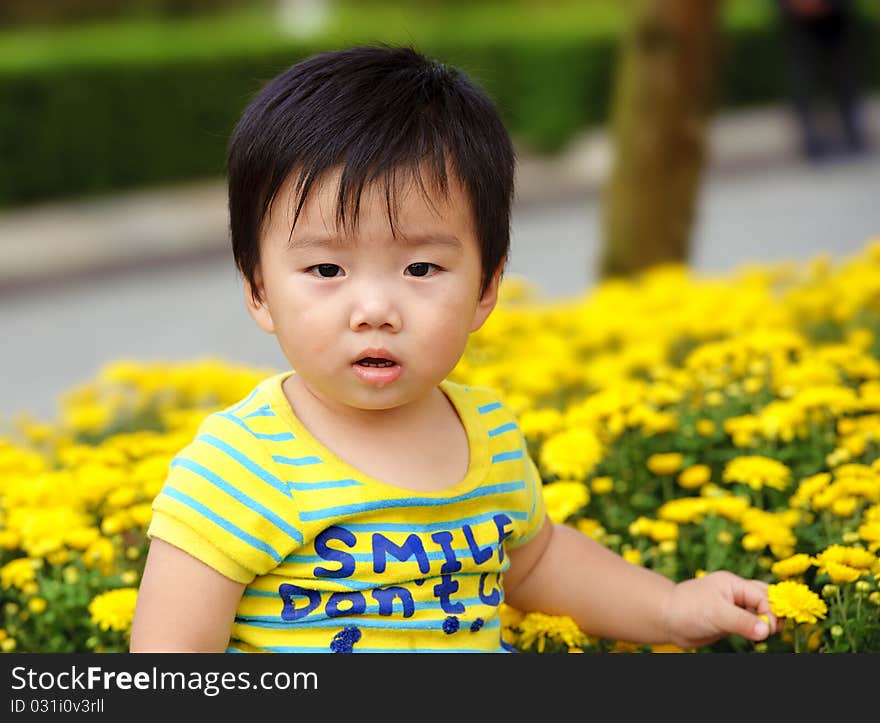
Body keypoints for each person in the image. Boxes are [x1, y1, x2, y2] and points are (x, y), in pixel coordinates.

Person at [129, 44, 781, 653]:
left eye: (420, 269)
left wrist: (671, 607)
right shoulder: (238, 468)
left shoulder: (489, 437)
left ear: (485, 289)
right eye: (327, 270)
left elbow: (539, 561)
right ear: (259, 289)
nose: (375, 310)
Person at [776, 0, 869, 160]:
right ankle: (810, 139)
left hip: (838, 16)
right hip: (797, 19)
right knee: (803, 79)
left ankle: (852, 132)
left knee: (845, 73)